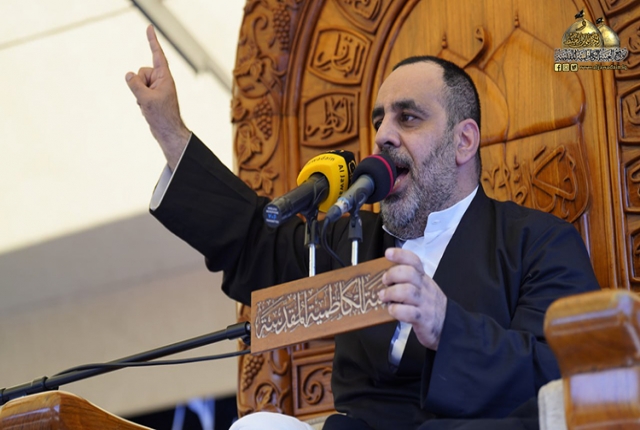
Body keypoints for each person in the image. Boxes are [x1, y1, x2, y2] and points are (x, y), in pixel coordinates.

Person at [126, 25, 600, 430]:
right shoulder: (350, 239)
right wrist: (171, 132)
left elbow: (563, 373)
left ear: (463, 141)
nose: (383, 136)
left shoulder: (538, 243)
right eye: (379, 120)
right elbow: (254, 242)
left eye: (407, 117)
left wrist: (445, 325)